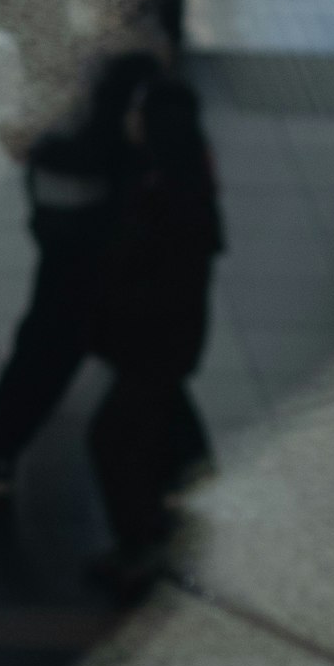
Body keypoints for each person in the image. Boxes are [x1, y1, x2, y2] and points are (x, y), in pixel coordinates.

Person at [0, 2, 177, 499]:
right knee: (115, 341)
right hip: (76, 223)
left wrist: (33, 145)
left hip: (88, 228)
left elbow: (102, 150)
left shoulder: (129, 60)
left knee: (51, 340)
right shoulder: (110, 46)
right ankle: (182, 459)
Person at [77, 37, 223, 598]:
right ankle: (183, 497)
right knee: (161, 427)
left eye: (139, 114)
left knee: (111, 440)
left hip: (152, 346)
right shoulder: (175, 183)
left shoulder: (165, 202)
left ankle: (141, 546)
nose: (130, 120)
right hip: (163, 346)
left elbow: (142, 280)